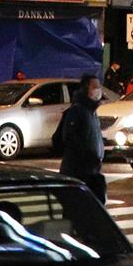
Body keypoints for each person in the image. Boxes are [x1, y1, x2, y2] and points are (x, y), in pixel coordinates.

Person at [53, 72, 106, 202]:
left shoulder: (92, 112)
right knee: (78, 210)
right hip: (78, 173)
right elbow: (70, 138)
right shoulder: (78, 111)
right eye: (95, 87)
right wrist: (88, 156)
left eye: (99, 86)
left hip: (92, 171)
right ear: (86, 89)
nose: (98, 90)